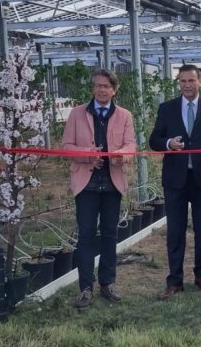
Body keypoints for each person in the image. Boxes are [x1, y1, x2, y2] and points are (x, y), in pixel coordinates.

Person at [62, 69, 136, 310]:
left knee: (109, 235)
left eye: (106, 86)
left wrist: (121, 157)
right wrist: (87, 156)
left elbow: (130, 145)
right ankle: (85, 287)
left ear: (114, 90)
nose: (101, 90)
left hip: (112, 183)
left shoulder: (124, 115)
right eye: (97, 86)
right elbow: (66, 147)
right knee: (85, 235)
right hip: (87, 184)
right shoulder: (77, 114)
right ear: (92, 89)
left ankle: (107, 282)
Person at [149, 64, 201, 299]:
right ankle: (175, 280)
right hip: (175, 179)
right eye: (182, 81)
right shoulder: (167, 108)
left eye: (191, 81)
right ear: (178, 83)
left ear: (200, 81)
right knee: (175, 231)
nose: (187, 85)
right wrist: (169, 143)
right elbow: (154, 140)